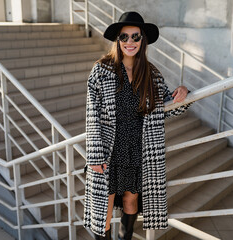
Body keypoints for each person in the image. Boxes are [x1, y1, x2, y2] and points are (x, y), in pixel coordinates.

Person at [83, 11, 192, 240]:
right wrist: (94, 156)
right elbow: (92, 114)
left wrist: (184, 94)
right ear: (118, 40)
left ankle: (126, 237)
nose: (129, 42)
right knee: (104, 207)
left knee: (131, 199)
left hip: (138, 148)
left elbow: (170, 106)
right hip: (109, 150)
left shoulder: (151, 74)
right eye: (124, 37)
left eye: (135, 36)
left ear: (143, 40)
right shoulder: (101, 70)